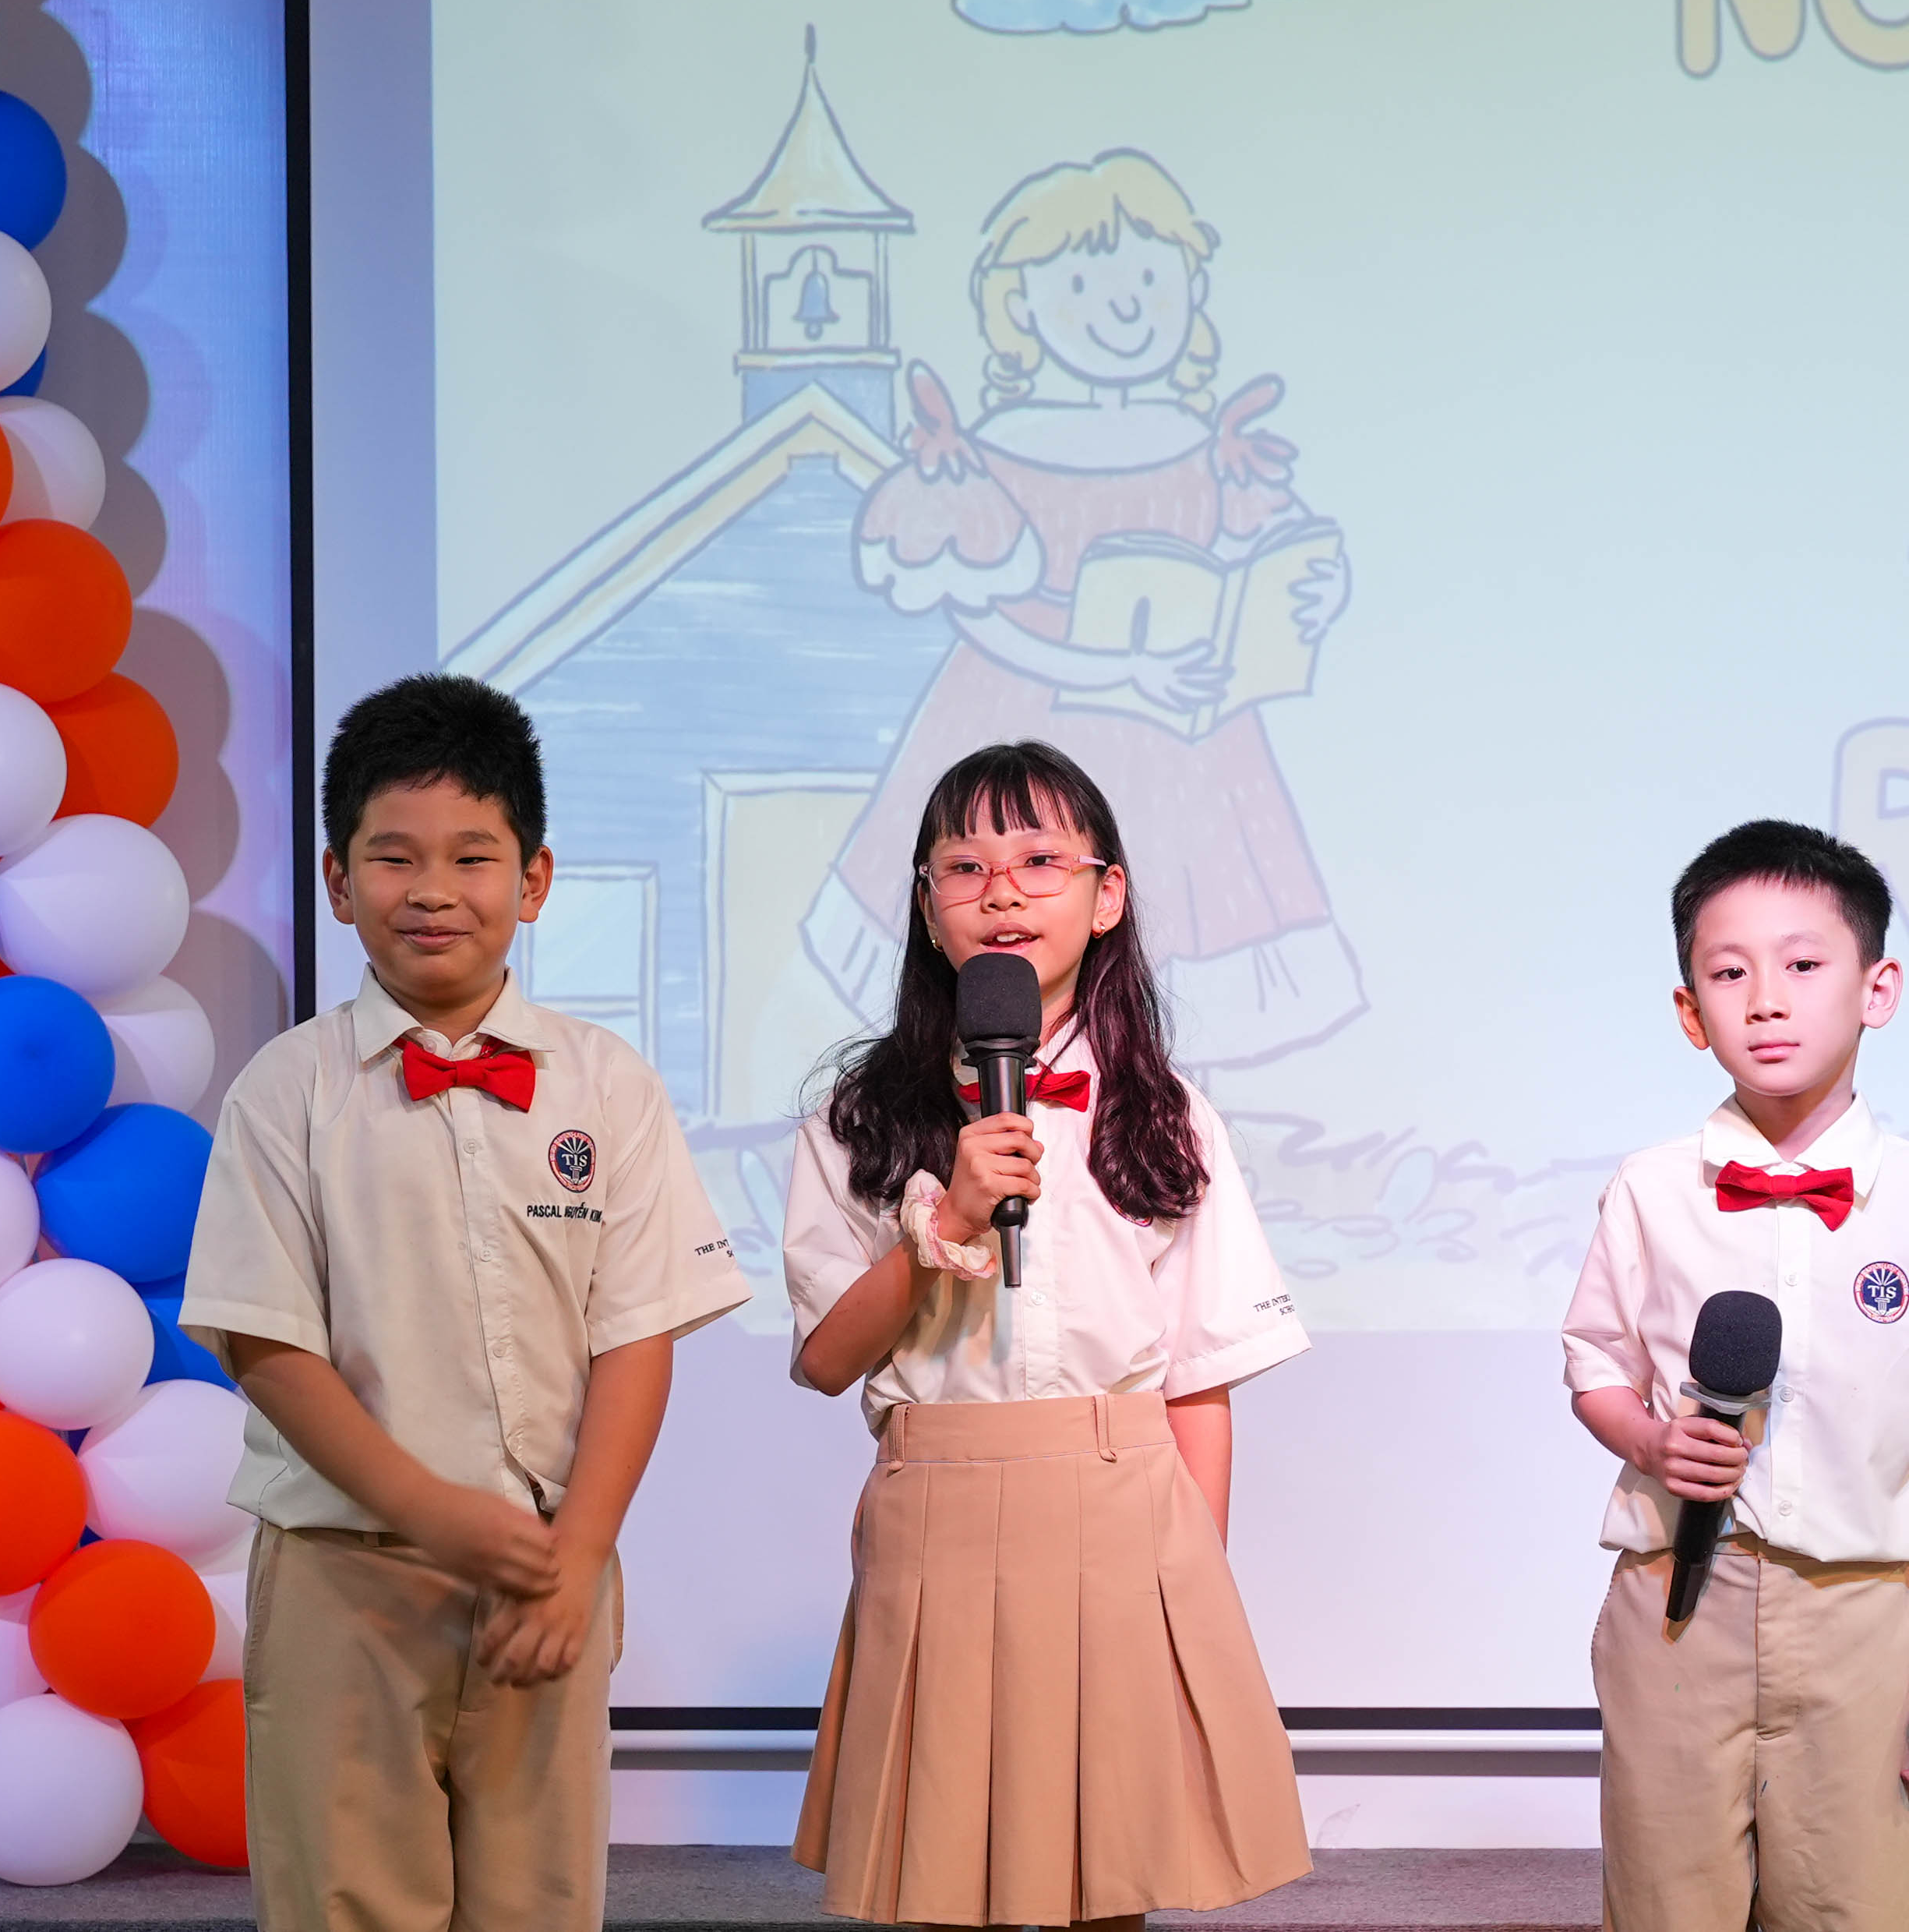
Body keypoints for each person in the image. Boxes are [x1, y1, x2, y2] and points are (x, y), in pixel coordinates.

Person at [177, 675, 750, 1932]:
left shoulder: (608, 1083)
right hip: (345, 1572)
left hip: (546, 1571)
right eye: (394, 855)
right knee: (346, 1898)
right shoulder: (288, 1089)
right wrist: (432, 1508)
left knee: (540, 1897)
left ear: (533, 879)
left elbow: (636, 1333)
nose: (433, 888)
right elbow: (269, 1346)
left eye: (472, 855)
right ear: (337, 880)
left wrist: (578, 1552)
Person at [784, 738, 1314, 1929]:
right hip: (939, 1501)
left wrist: (1196, 1582)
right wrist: (943, 1222)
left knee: (1105, 1880)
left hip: (1125, 1504)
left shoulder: (1169, 1113)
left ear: (1106, 894)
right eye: (965, 866)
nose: (1003, 891)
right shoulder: (858, 1115)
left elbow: (1199, 1378)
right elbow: (823, 1357)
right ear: (926, 905)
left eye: (1038, 860)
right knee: (938, 1874)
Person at [1561, 820, 1909, 1932]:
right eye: (1730, 974)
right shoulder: (1649, 1189)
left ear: (1878, 988)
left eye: (1803, 964)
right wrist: (1649, 1439)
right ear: (1691, 1011)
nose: (1766, 1001)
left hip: (1862, 1611)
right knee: (1665, 1902)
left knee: (1858, 1903)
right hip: (1676, 1600)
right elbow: (1596, 1368)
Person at [800, 148, 1362, 1071]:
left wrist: (1305, 594)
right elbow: (986, 616)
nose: (1125, 307)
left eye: (1150, 279)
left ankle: (1138, 1101)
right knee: (1019, 862)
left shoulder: (1202, 444)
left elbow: (1262, 560)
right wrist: (1115, 669)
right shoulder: (997, 449)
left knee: (1178, 926)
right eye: (1083, 283)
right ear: (1019, 304)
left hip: (1183, 726)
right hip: (1035, 698)